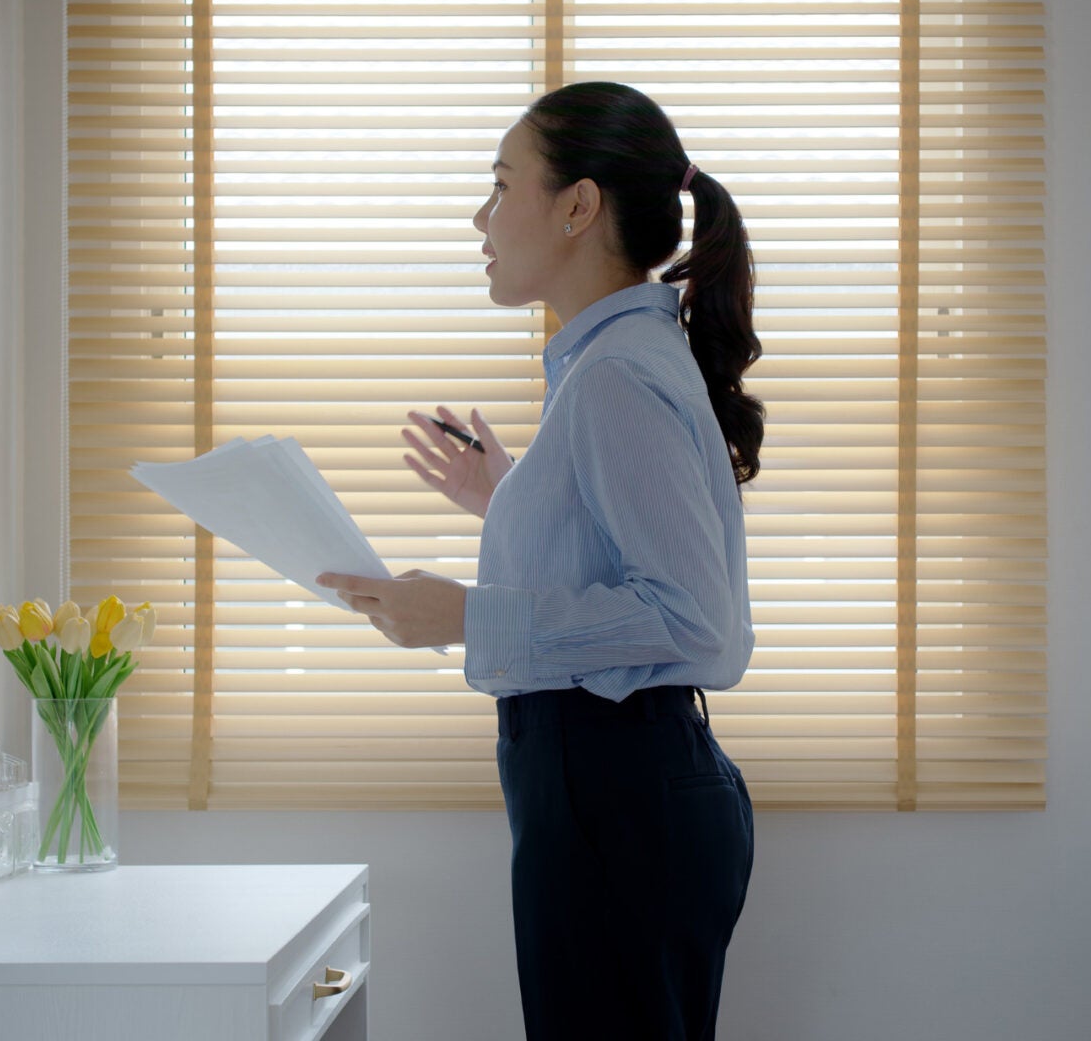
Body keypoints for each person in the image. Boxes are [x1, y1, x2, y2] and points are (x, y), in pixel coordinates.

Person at [317, 80, 761, 1041]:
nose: (480, 216)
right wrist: (513, 498)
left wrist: (469, 615)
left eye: (501, 183)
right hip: (616, 792)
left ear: (578, 205)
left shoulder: (613, 377)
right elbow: (627, 554)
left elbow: (693, 618)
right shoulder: (613, 364)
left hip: (617, 796)